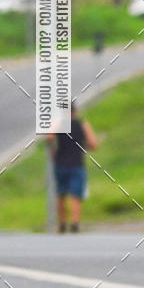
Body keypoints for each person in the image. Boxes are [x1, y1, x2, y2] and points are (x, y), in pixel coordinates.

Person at [47, 100, 98, 233]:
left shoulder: (59, 124)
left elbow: (49, 137)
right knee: (76, 195)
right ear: (75, 111)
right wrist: (83, 146)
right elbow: (94, 144)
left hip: (60, 164)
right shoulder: (82, 124)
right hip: (77, 163)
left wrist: (53, 151)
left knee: (61, 194)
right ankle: (75, 223)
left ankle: (62, 224)